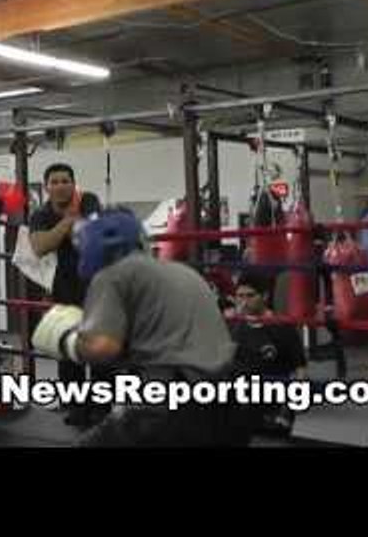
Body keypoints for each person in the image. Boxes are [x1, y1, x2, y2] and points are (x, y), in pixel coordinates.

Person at [33, 207, 245, 447]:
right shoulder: (182, 272)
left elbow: (103, 347)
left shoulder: (112, 275)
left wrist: (66, 339)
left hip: (173, 402)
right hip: (231, 399)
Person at [28, 164, 107, 427]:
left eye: (65, 181)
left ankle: (100, 409)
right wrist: (70, 220)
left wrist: (60, 231)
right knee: (68, 351)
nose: (60, 185)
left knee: (99, 352)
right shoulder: (40, 214)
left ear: (74, 184)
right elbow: (40, 246)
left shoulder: (89, 200)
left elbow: (90, 237)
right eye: (55, 181)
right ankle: (76, 408)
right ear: (47, 187)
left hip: (96, 287)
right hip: (63, 289)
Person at [227, 271, 307, 437]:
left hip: (272, 406)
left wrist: (290, 406)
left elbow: (300, 369)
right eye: (240, 296)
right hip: (239, 405)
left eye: (250, 296)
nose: (244, 301)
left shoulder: (282, 327)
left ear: (264, 296)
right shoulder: (234, 327)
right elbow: (224, 362)